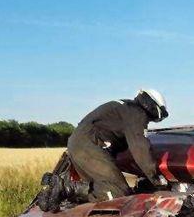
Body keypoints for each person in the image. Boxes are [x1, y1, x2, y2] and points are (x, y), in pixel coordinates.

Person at [39, 89, 170, 210]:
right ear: (153, 107)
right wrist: (155, 178)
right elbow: (140, 148)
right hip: (91, 144)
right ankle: (64, 187)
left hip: (78, 142)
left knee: (98, 188)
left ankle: (57, 194)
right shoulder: (137, 114)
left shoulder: (124, 107)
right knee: (118, 193)